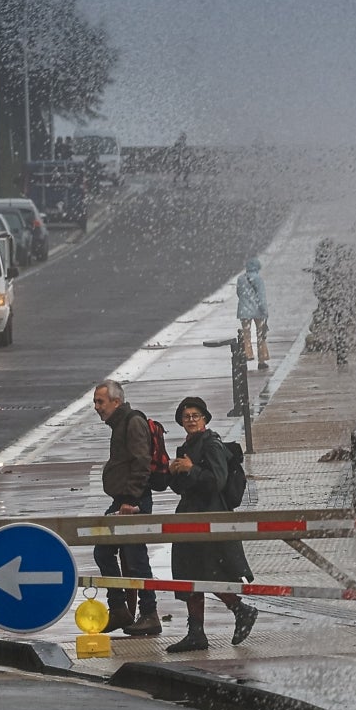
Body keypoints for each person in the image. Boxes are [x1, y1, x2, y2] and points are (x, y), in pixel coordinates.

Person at [159, 396, 257, 652]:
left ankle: (241, 609)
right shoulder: (187, 446)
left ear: (204, 419)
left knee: (209, 572)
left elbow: (217, 482)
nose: (191, 420)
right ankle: (196, 633)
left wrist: (192, 468)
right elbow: (183, 488)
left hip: (209, 518)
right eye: (186, 416)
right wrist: (174, 473)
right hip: (190, 517)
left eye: (195, 416)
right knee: (189, 574)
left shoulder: (212, 444)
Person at [91, 380, 162, 635]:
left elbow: (142, 462)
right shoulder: (119, 423)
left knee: (136, 558)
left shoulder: (132, 422)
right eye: (95, 402)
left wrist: (131, 501)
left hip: (134, 502)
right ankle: (119, 608)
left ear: (116, 402)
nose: (96, 407)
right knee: (103, 551)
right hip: (123, 501)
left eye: (100, 402)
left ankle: (150, 613)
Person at [236, 257, 270, 370]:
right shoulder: (258, 279)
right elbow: (261, 296)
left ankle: (247, 355)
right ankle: (261, 360)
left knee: (246, 334)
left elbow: (239, 293)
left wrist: (245, 303)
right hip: (258, 311)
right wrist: (265, 311)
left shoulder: (241, 278)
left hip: (244, 311)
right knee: (261, 335)